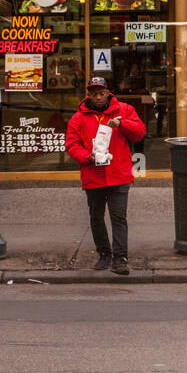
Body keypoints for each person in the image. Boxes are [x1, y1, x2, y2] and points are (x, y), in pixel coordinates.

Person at [65, 77, 147, 275]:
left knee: (119, 217)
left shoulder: (124, 110)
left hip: (118, 174)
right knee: (96, 218)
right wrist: (88, 157)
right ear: (88, 95)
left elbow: (139, 133)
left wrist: (122, 124)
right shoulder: (79, 118)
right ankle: (104, 254)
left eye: (101, 93)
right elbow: (72, 145)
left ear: (108, 93)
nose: (98, 97)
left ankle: (120, 259)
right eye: (94, 94)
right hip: (93, 175)